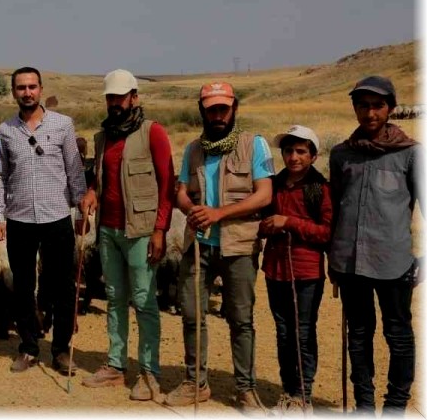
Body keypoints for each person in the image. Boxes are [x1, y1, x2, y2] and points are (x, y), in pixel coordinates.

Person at [166, 81, 274, 413]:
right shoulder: (193, 149)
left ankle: (246, 388)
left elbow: (264, 194)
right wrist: (189, 209)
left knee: (241, 319)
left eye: (222, 108)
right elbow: (182, 190)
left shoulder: (254, 145)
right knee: (191, 315)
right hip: (198, 244)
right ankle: (195, 382)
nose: (217, 115)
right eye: (211, 109)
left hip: (238, 245)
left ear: (233, 108)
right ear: (202, 110)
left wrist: (218, 213)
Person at [78, 69, 176, 401]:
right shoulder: (102, 137)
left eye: (120, 97)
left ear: (134, 97)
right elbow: (99, 179)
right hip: (109, 230)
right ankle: (116, 366)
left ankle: (150, 373)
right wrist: (91, 193)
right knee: (116, 299)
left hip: (142, 231)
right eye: (110, 97)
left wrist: (160, 229)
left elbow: (167, 185)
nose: (115, 103)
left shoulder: (153, 133)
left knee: (146, 301)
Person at [328, 76, 419, 415]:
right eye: (363, 105)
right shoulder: (341, 154)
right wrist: (333, 259)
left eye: (377, 105)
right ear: (355, 108)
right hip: (349, 262)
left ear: (391, 109)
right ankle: (364, 406)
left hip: (393, 261)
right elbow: (335, 208)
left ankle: (395, 406)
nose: (369, 112)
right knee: (359, 334)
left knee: (397, 334)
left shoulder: (411, 154)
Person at [0, 67, 86, 375]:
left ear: (41, 89)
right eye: (21, 87)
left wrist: (81, 211)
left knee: (62, 285)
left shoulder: (63, 125)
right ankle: (29, 347)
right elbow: (1, 176)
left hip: (56, 215)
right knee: (22, 286)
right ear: (13, 92)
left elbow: (75, 171)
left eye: (32, 86)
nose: (27, 92)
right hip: (19, 218)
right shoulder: (5, 130)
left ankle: (60, 350)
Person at [260, 125, 333, 414]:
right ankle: (288, 391)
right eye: (289, 151)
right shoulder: (273, 185)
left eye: (301, 151)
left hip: (306, 272)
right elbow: (265, 220)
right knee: (282, 332)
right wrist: (267, 225)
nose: (293, 156)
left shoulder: (321, 189)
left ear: (313, 156)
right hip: (275, 269)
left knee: (302, 332)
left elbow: (327, 233)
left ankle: (303, 395)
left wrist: (287, 222)